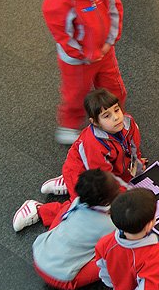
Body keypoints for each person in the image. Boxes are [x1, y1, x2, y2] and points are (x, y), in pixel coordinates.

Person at [42, 0, 126, 145]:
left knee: (114, 87)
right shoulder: (55, 5)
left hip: (105, 52)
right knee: (76, 94)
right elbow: (64, 37)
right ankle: (68, 126)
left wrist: (109, 42)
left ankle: (112, 116)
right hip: (77, 62)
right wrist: (87, 55)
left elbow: (115, 11)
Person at [34, 89, 144, 219]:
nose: (116, 117)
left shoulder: (129, 123)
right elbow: (102, 179)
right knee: (86, 210)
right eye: (106, 116)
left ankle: (67, 183)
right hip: (82, 172)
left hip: (101, 169)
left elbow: (134, 147)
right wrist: (123, 195)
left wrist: (137, 162)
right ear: (95, 122)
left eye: (116, 110)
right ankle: (38, 210)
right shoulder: (93, 143)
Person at [14, 170, 119, 290]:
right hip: (63, 279)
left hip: (38, 256)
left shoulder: (77, 202)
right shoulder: (109, 226)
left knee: (66, 211)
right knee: (115, 255)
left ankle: (40, 210)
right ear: (105, 201)